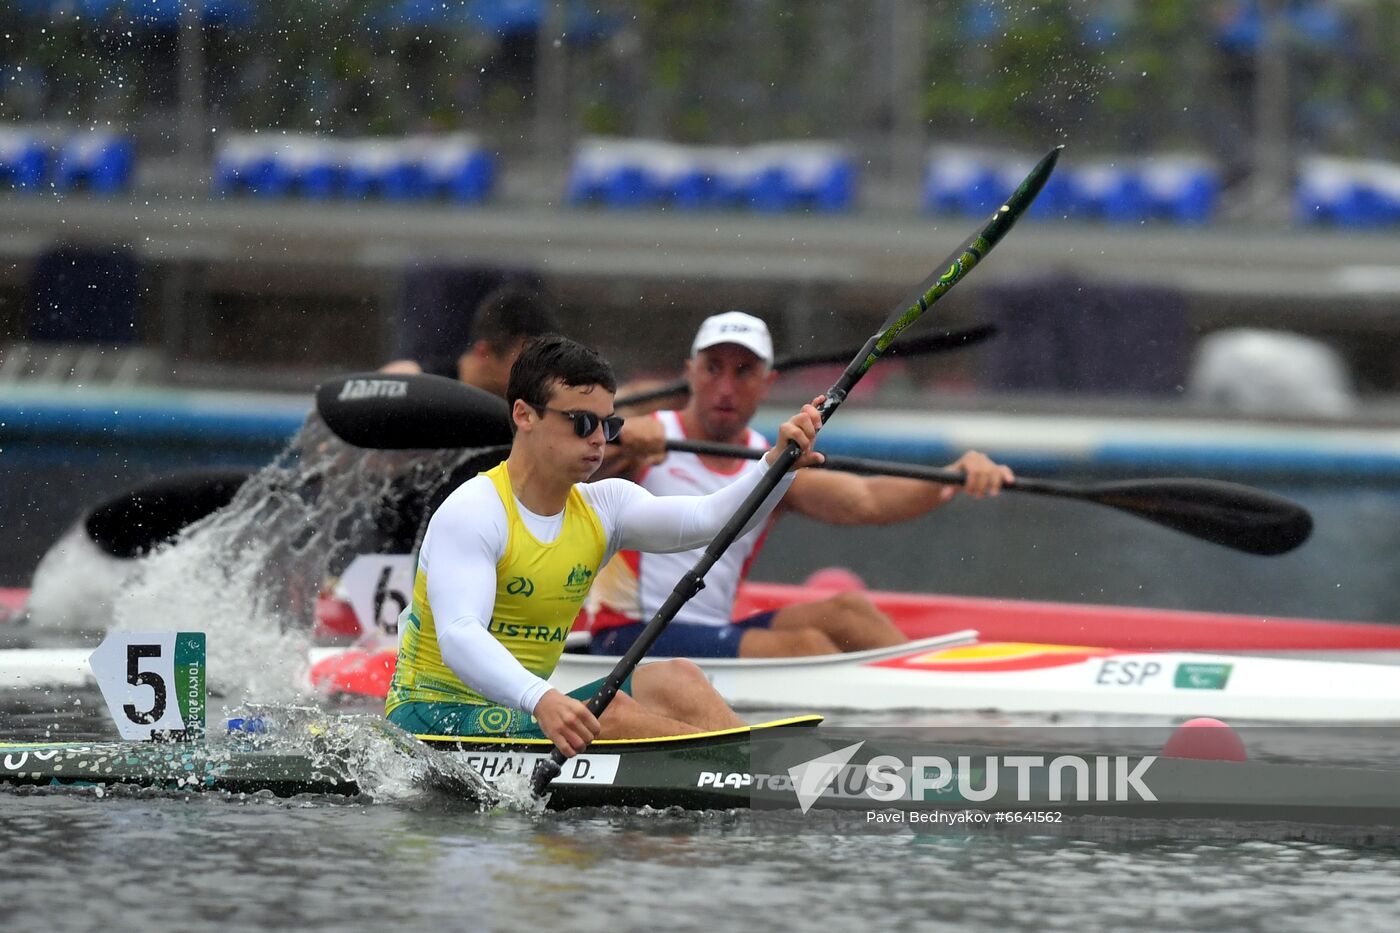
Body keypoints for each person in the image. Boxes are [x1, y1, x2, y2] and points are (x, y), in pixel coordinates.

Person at [384, 334, 825, 755]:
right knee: (607, 713)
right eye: (581, 422)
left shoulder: (605, 506)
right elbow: (459, 635)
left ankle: (753, 766)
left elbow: (708, 521)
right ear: (524, 415)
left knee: (677, 677)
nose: (598, 439)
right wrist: (540, 697)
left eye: (608, 424)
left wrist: (777, 466)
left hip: (525, 709)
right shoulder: (476, 510)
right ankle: (751, 770)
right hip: (432, 722)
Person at [587, 310, 1014, 659]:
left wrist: (953, 475)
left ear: (767, 383)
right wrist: (615, 436)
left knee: (849, 612)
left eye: (743, 372)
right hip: (626, 637)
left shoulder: (771, 462)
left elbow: (868, 500)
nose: (725, 388)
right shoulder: (641, 440)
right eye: (713, 369)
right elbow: (554, 461)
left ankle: (938, 692)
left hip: (709, 636)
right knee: (806, 646)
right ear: (689, 373)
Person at [379, 283, 559, 393]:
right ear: (484, 351)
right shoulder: (412, 382)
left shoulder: (527, 419)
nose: (536, 378)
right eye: (526, 363)